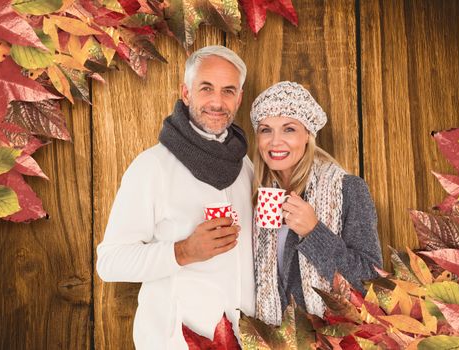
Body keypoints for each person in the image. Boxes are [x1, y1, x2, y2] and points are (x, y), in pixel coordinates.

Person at [96, 46, 255, 349]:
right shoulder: (153, 167)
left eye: (228, 90)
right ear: (186, 92)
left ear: (240, 97)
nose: (217, 102)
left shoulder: (244, 165)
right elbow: (110, 261)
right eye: (206, 88)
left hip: (245, 340)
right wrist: (182, 251)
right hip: (175, 342)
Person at [250, 81, 383, 326]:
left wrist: (314, 232)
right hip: (273, 340)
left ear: (308, 134)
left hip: (332, 338)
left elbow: (372, 284)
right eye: (265, 129)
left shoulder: (348, 189)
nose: (275, 141)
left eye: (289, 129)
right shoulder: (254, 196)